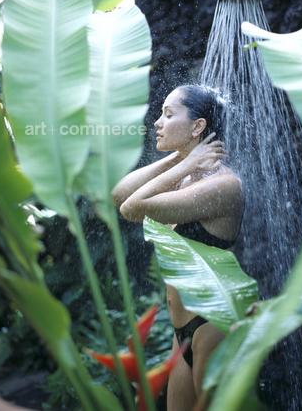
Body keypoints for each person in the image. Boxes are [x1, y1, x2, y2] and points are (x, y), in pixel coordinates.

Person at [112, 84, 244, 411]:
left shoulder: (222, 186)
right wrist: (182, 157)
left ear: (198, 126)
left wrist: (186, 163)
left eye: (168, 115)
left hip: (211, 325)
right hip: (182, 329)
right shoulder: (186, 176)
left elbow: (132, 208)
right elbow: (119, 195)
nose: (158, 122)